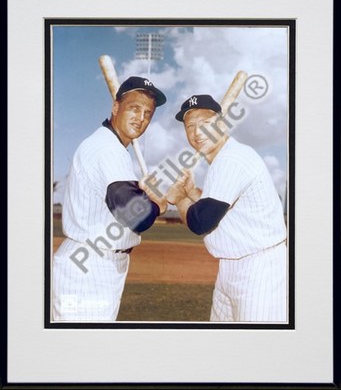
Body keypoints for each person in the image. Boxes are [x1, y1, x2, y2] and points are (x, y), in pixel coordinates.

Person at [53, 76, 167, 321]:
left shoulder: (108, 147)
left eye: (148, 113)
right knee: (86, 353)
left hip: (94, 262)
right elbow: (133, 214)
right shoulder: (107, 149)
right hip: (91, 266)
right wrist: (158, 204)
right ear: (116, 108)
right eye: (134, 108)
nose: (141, 118)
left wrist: (144, 193)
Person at [167, 94, 287, 323]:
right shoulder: (222, 160)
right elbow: (225, 208)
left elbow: (201, 221)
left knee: (255, 350)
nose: (196, 132)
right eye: (190, 126)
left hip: (259, 269)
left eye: (205, 124)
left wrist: (180, 198)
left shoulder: (232, 159)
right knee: (223, 346)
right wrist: (192, 192)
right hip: (230, 267)